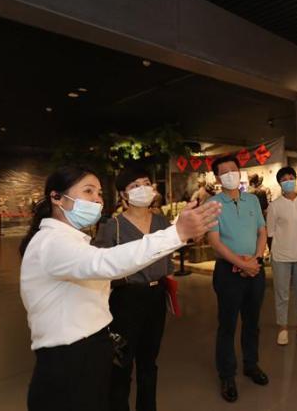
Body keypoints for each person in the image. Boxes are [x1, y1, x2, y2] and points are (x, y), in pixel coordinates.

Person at [19, 165, 220, 411]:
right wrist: (176, 233)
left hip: (90, 348)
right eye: (88, 191)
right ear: (57, 197)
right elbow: (107, 262)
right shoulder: (53, 243)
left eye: (99, 193)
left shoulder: (72, 240)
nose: (97, 200)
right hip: (69, 358)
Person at [92, 166, 173, 411]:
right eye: (134, 185)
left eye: (146, 183)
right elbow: (99, 267)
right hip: (126, 298)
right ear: (123, 194)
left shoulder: (162, 222)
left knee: (149, 362)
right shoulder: (113, 226)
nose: (142, 189)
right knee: (122, 363)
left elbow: (168, 259)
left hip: (156, 295)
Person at [207, 156, 268, 403]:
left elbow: (262, 231)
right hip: (228, 272)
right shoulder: (212, 204)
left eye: (234, 170)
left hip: (255, 268)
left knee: (252, 322)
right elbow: (214, 241)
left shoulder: (252, 200)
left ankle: (251, 365)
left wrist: (256, 259)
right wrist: (242, 264)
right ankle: (227, 375)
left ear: (240, 172)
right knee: (228, 324)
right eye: (224, 172)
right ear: (217, 178)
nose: (230, 174)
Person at [266, 166, 297, 346]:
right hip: (281, 256)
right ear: (280, 183)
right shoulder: (274, 206)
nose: (288, 181)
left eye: (291, 178)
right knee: (282, 293)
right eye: (284, 179)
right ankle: (283, 327)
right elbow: (270, 232)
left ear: (295, 179)